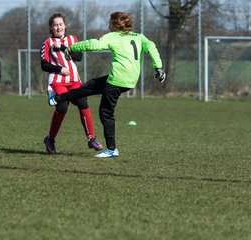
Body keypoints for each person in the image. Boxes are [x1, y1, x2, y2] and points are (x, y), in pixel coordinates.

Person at [48, 11, 167, 158]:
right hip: (129, 80)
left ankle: (111, 149)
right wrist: (159, 68)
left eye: (110, 22)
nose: (108, 25)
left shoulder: (113, 37)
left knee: (105, 112)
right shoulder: (139, 37)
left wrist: (73, 47)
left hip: (117, 80)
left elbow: (94, 44)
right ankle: (57, 98)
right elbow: (152, 47)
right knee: (89, 86)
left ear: (115, 25)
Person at [40, 13, 103, 154]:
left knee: (82, 102)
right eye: (55, 25)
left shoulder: (72, 39)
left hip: (74, 81)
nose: (58, 27)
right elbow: (44, 65)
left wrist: (62, 47)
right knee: (62, 107)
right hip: (57, 81)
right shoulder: (47, 43)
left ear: (65, 26)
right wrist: (59, 69)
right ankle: (50, 139)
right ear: (51, 27)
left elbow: (78, 57)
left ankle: (91, 138)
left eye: (60, 24)